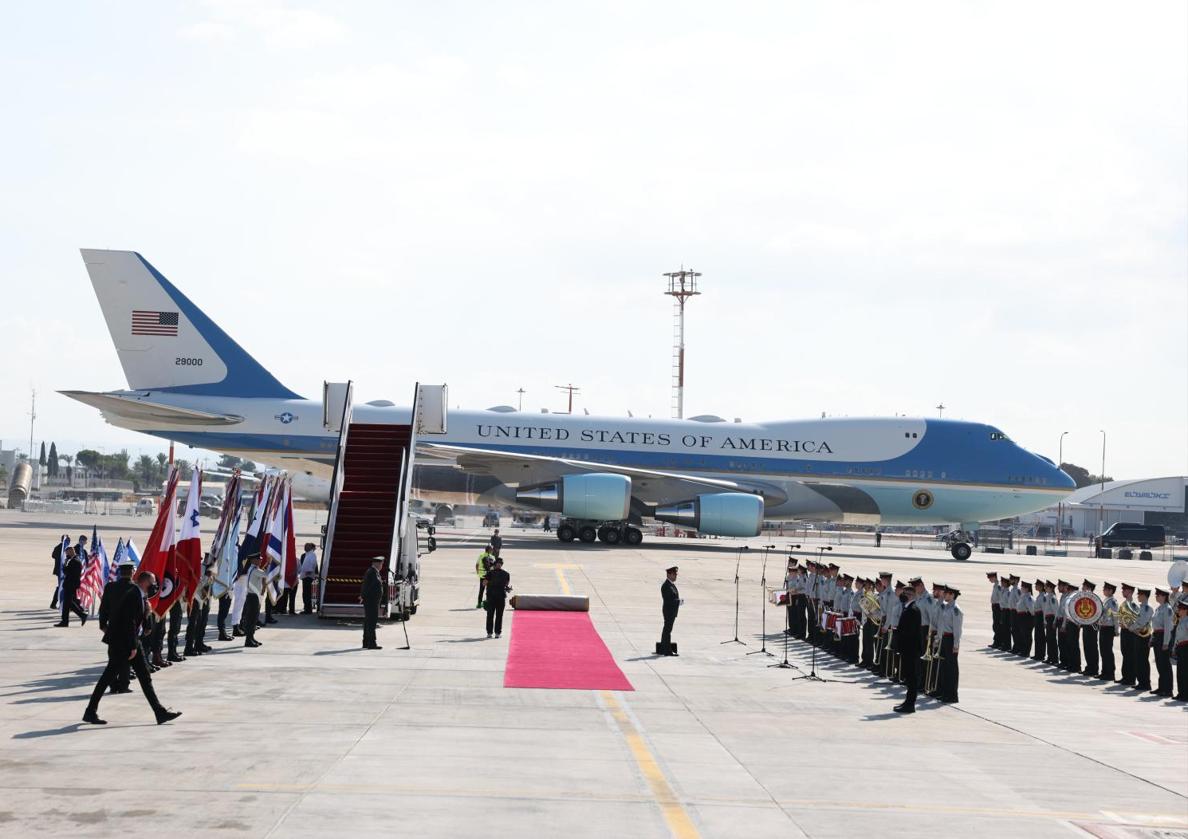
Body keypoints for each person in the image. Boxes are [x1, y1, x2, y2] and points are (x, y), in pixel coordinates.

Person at [83, 571, 182, 726]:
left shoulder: (140, 595)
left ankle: (160, 712)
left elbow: (140, 623)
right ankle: (90, 711)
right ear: (144, 582)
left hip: (130, 642)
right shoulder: (133, 595)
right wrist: (133, 647)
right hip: (122, 643)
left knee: (144, 677)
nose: (155, 586)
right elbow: (128, 623)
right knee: (107, 677)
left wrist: (147, 614)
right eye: (153, 582)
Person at [892, 584, 922, 713]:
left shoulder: (913, 610)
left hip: (910, 648)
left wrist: (898, 633)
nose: (902, 596)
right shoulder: (908, 608)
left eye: (905, 594)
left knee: (911, 677)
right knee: (908, 677)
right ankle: (908, 701)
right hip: (907, 648)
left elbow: (909, 631)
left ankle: (910, 704)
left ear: (911, 595)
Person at [936, 585, 963, 703]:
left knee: (951, 668)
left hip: (951, 639)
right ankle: (944, 692)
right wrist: (938, 638)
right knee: (944, 667)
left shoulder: (956, 610)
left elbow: (957, 630)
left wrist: (956, 645)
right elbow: (940, 623)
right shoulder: (945, 608)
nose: (944, 595)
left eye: (946, 593)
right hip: (944, 638)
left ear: (952, 595)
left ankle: (952, 695)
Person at [1149, 588, 1173, 697]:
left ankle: (1168, 689)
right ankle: (1161, 687)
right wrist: (1152, 639)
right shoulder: (1159, 608)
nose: (1156, 596)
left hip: (1163, 637)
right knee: (1159, 663)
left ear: (1164, 596)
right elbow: (1155, 626)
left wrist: (1166, 643)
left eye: (1158, 595)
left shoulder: (1167, 609)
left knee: (1165, 664)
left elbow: (1168, 628)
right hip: (1158, 636)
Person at [55, 546, 87, 627]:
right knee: (69, 603)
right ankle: (81, 615)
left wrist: (65, 564)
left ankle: (65, 621)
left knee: (67, 604)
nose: (66, 555)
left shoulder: (74, 561)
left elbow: (67, 572)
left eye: (67, 553)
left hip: (71, 585)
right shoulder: (75, 560)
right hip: (71, 585)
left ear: (70, 552)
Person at [1131, 588, 1153, 691]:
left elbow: (1142, 622)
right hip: (1138, 635)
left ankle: (1145, 683)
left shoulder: (1147, 608)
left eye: (1139, 594)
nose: (1138, 596)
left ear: (1144, 595)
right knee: (1138, 659)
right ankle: (1141, 682)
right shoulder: (1141, 608)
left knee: (1143, 660)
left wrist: (1131, 627)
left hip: (1143, 636)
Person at [361, 555, 385, 650]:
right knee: (371, 622)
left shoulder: (374, 572)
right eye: (381, 564)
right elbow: (368, 586)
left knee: (368, 621)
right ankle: (371, 643)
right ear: (376, 563)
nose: (381, 565)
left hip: (371, 600)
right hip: (371, 601)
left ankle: (366, 642)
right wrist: (363, 596)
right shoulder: (372, 573)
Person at [242, 553, 266, 648]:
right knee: (251, 619)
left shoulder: (253, 569)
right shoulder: (255, 570)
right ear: (253, 560)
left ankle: (251, 638)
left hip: (253, 596)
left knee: (254, 618)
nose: (260, 561)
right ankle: (248, 640)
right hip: (253, 597)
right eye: (258, 559)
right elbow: (266, 574)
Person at [484, 557, 511, 638]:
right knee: (498, 615)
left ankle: (490, 633)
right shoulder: (506, 574)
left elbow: (484, 583)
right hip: (499, 597)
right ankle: (496, 633)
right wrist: (508, 589)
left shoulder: (490, 573)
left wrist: (486, 578)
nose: (499, 565)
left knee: (490, 615)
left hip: (492, 596)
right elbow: (507, 586)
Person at [1116, 582, 1136, 686]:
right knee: (1125, 654)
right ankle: (1125, 677)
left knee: (1130, 655)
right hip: (1124, 631)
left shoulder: (1133, 605)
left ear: (1130, 591)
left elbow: (1135, 619)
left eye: (1125, 590)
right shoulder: (1124, 604)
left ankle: (1131, 678)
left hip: (1130, 632)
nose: (1123, 591)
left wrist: (1126, 625)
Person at [1098, 581, 1118, 682]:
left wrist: (1116, 629)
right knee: (1103, 651)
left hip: (1109, 629)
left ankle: (1110, 673)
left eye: (1105, 589)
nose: (1103, 590)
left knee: (1107, 652)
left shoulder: (1112, 602)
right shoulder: (1106, 600)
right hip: (1103, 628)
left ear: (1110, 591)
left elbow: (1115, 616)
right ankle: (1104, 672)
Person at [659, 566, 681, 656]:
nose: (675, 576)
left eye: (676, 574)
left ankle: (663, 649)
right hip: (669, 611)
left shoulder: (671, 584)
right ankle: (667, 651)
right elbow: (668, 600)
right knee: (667, 630)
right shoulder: (666, 586)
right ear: (669, 574)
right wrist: (679, 601)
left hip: (671, 611)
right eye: (674, 574)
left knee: (667, 630)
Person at [1079, 580, 1099, 677]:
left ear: (1089, 588)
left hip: (1092, 627)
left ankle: (1094, 668)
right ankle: (1089, 667)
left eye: (1084, 587)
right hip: (1086, 625)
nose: (1082, 589)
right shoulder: (1085, 598)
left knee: (1092, 648)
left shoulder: (1094, 599)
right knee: (1086, 647)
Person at [1173, 596, 1188, 701]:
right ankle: (1181, 693)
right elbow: (1177, 637)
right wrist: (1174, 648)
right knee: (1180, 672)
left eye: (1180, 609)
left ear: (1185, 611)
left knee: (1185, 672)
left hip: (1186, 648)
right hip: (1180, 647)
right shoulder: (1181, 621)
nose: (1178, 610)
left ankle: (1185, 694)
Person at [299, 543, 319, 614]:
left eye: (306, 547)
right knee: (305, 594)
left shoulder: (312, 555)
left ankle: (308, 610)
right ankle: (306, 608)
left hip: (308, 577)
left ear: (310, 547)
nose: (305, 548)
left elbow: (312, 565)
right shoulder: (307, 554)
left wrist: (308, 572)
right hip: (306, 577)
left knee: (307, 594)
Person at [50, 535, 67, 609]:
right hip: (61, 571)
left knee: (61, 586)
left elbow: (53, 556)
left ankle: (56, 603)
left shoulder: (57, 547)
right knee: (61, 587)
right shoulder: (64, 548)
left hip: (59, 570)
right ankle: (57, 603)